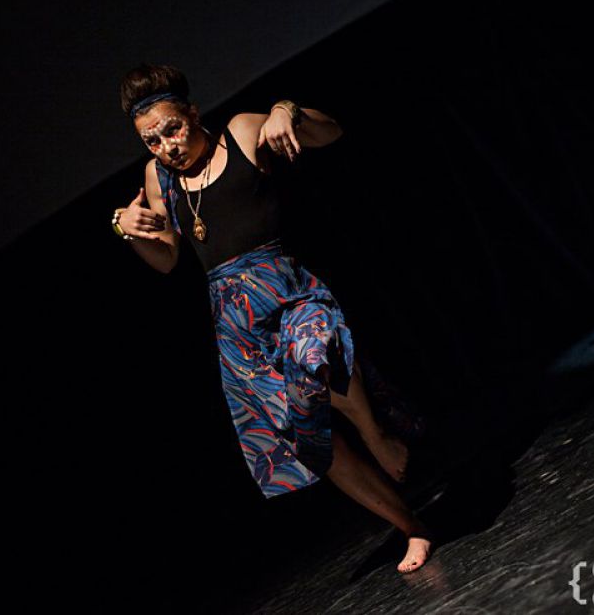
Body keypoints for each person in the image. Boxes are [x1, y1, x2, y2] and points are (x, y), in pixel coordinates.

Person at [113, 63, 433, 574]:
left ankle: (375, 433)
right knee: (312, 443)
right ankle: (411, 527)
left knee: (314, 353)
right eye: (152, 140)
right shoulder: (158, 178)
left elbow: (331, 132)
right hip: (234, 323)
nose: (167, 146)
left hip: (284, 288)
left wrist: (287, 111)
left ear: (192, 113)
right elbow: (167, 258)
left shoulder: (240, 132)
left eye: (172, 129)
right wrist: (127, 230)